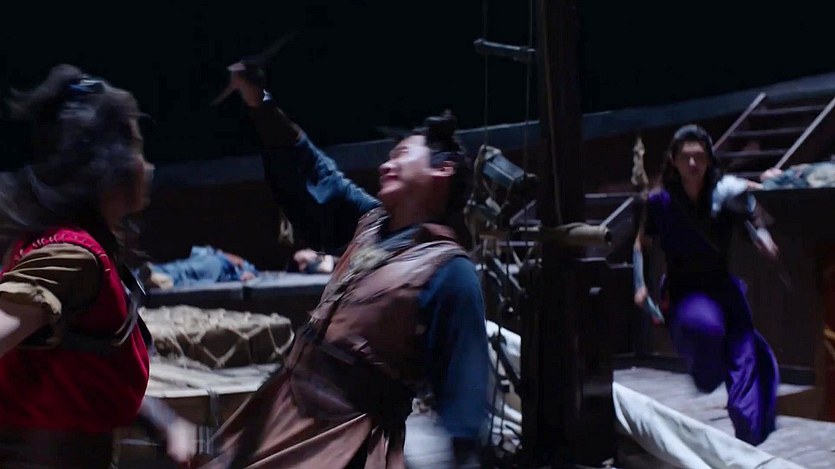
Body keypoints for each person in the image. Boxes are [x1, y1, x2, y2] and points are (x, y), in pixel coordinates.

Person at [197, 64, 489, 468]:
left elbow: (464, 396)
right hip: (287, 406)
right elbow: (314, 171)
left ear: (442, 169)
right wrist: (259, 100)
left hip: (345, 436)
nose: (386, 165)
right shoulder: (369, 223)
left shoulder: (449, 271)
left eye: (402, 155)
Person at [0, 64, 192, 467]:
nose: (147, 167)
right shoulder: (71, 255)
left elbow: (73, 370)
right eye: (138, 148)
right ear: (110, 165)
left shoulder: (77, 251)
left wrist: (161, 420)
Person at [633, 124, 781, 445]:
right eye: (685, 157)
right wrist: (639, 284)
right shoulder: (659, 202)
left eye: (699, 157)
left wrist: (764, 236)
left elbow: (754, 212)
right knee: (706, 329)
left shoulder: (725, 191)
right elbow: (641, 244)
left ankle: (748, 446)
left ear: (709, 159)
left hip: (724, 290)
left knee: (746, 365)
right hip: (686, 294)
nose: (692, 164)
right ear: (673, 160)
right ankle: (707, 372)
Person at [138, 245, 260, 290]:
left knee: (184, 270)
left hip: (215, 263)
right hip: (213, 263)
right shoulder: (218, 255)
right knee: (184, 271)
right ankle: (160, 278)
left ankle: (154, 275)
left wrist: (247, 273)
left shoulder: (228, 260)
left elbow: (248, 271)